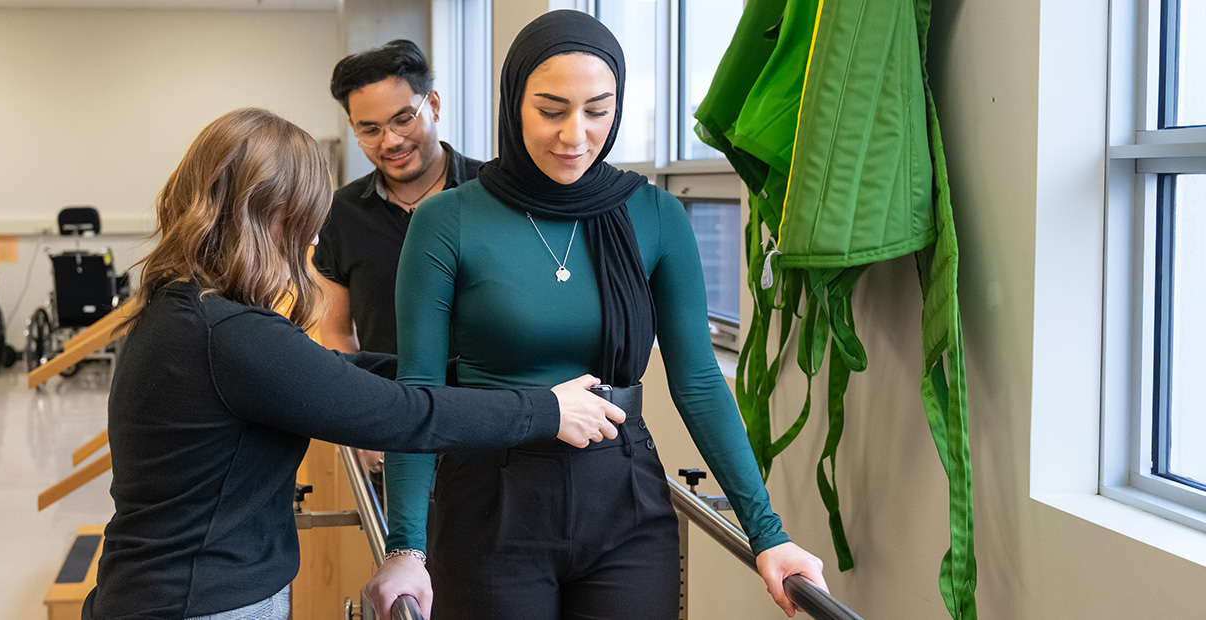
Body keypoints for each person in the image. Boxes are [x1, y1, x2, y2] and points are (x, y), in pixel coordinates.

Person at [366, 10, 828, 620]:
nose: (575, 135)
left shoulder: (657, 215)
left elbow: (697, 382)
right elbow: (418, 391)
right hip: (490, 498)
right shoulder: (447, 220)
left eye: (597, 110)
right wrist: (406, 546)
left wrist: (767, 532)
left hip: (624, 497)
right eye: (551, 111)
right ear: (514, 103)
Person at [80, 107, 627, 620]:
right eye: (305, 223)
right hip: (198, 602)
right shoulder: (228, 333)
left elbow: (333, 372)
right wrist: (545, 410)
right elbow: (398, 414)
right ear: (263, 216)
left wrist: (470, 376)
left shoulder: (187, 309)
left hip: (163, 590)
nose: (315, 240)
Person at [317, 39, 485, 475]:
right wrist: (363, 425)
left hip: (494, 428)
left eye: (403, 119)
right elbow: (336, 334)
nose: (390, 141)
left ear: (433, 103)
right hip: (396, 431)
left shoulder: (495, 194)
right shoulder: (340, 214)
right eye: (369, 129)